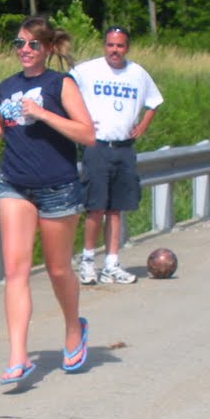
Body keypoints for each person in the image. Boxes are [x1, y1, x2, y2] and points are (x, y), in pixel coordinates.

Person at [0, 15, 94, 386]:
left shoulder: (61, 84)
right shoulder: (6, 85)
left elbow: (87, 134)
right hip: (14, 184)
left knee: (58, 270)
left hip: (57, 186)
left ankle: (74, 328)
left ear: (47, 48)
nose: (24, 50)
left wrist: (43, 113)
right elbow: (4, 121)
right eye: (19, 43)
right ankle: (17, 357)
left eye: (32, 44)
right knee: (15, 270)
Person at [70, 25, 163, 285]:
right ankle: (88, 260)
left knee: (115, 208)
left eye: (120, 45)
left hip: (123, 148)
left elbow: (154, 102)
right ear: (104, 46)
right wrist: (80, 121)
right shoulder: (87, 71)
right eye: (111, 45)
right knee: (95, 207)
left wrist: (142, 127)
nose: (115, 50)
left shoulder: (137, 74)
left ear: (127, 47)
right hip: (96, 146)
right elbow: (65, 92)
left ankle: (111, 262)